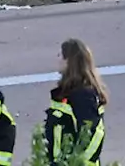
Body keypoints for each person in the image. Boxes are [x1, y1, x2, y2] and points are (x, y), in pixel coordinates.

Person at [44, 38, 108, 166]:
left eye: (60, 55)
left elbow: (91, 136)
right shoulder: (69, 92)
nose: (57, 59)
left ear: (69, 61)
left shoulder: (83, 95)